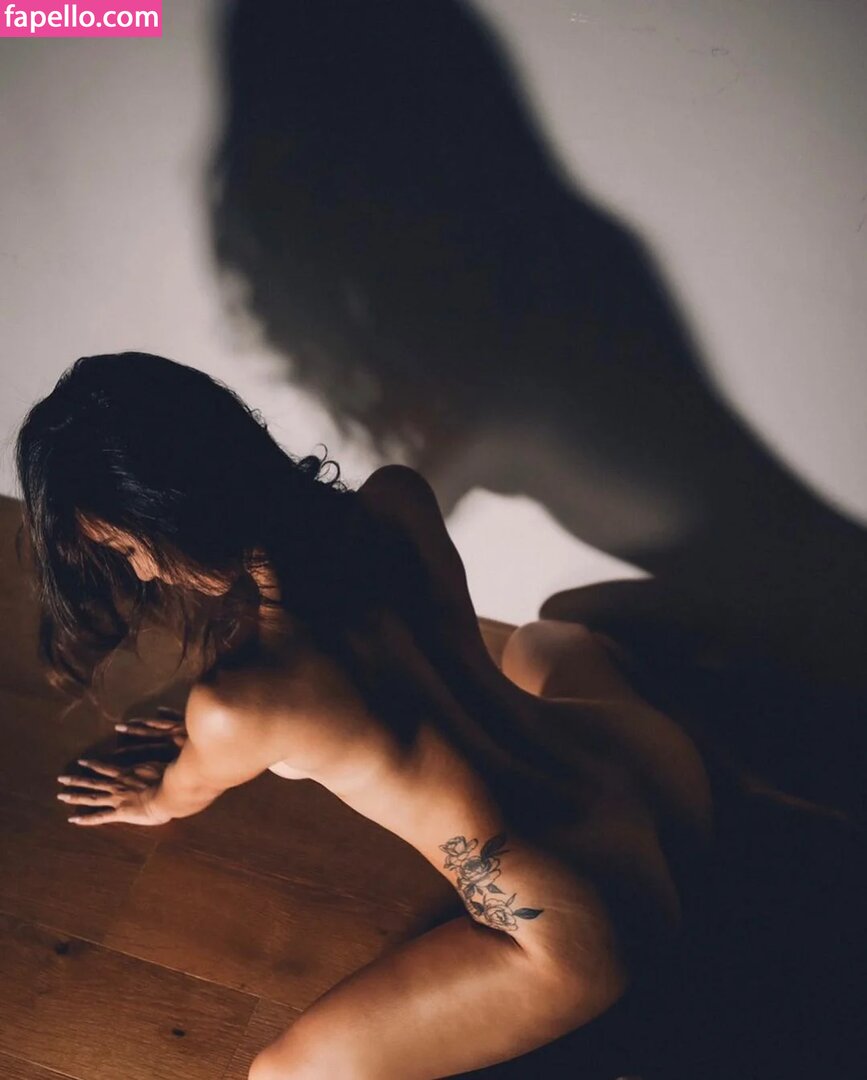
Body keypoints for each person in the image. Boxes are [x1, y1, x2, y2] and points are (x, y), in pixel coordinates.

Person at [15, 352, 850, 1079]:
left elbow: (183, 792)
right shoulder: (396, 502)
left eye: (129, 547)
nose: (145, 572)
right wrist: (221, 732)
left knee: (280, 1076)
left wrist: (160, 787)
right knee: (546, 637)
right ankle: (740, 793)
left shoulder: (240, 705)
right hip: (653, 769)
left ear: (177, 515)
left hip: (580, 918)